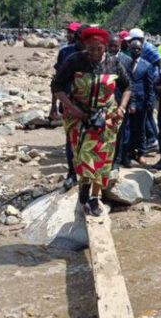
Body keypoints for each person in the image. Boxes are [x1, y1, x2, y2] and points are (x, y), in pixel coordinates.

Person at [51, 27, 131, 216]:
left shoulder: (114, 63)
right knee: (83, 156)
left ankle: (95, 197)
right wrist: (71, 107)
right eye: (91, 49)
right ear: (85, 46)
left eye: (99, 49)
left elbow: (127, 86)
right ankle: (84, 187)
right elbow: (57, 85)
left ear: (105, 47)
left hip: (107, 117)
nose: (95, 53)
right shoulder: (75, 61)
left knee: (103, 159)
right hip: (80, 117)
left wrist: (122, 108)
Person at [51, 22, 83, 189]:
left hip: (90, 106)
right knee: (71, 139)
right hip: (69, 103)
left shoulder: (97, 54)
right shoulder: (66, 53)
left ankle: (87, 173)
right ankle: (72, 173)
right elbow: (57, 82)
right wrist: (54, 105)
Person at [126, 40, 155, 165]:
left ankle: (142, 152)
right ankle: (130, 151)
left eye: (138, 49)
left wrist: (150, 102)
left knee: (141, 128)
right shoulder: (125, 63)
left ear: (141, 50)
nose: (135, 51)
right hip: (127, 100)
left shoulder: (147, 65)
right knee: (129, 127)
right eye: (133, 48)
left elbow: (150, 86)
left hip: (141, 101)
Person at [108, 35, 133, 170]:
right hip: (105, 101)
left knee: (122, 131)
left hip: (122, 100)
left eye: (115, 46)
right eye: (110, 45)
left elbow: (130, 83)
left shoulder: (127, 60)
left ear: (120, 46)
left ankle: (118, 159)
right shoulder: (102, 59)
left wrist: (130, 103)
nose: (113, 48)